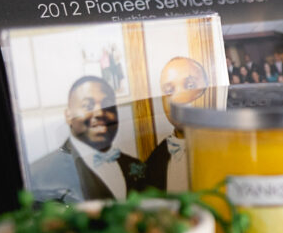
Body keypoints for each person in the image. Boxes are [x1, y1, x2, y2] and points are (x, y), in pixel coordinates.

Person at [29, 75, 147, 202]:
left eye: (107, 105)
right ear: (68, 116)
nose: (100, 112)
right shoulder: (40, 175)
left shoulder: (136, 166)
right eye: (87, 106)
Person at [146, 57, 208, 192]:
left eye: (190, 86)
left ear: (207, 91)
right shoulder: (154, 160)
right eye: (169, 90)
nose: (179, 98)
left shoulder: (229, 146)